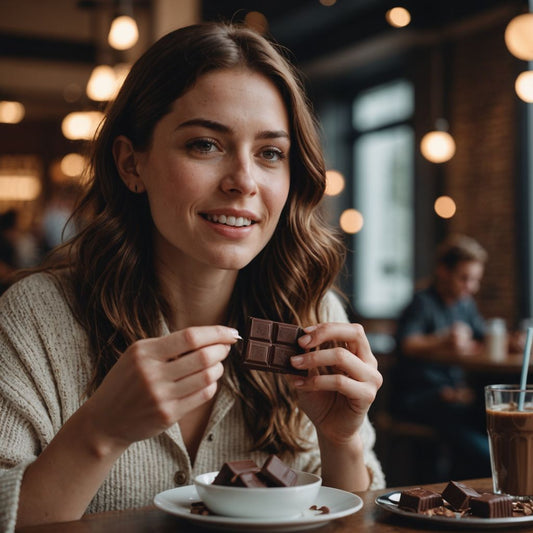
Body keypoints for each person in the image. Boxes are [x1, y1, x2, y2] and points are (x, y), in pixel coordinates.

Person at [0, 22, 385, 530]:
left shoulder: (313, 314)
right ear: (131, 164)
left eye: (270, 153)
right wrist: (101, 431)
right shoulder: (36, 317)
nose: (244, 181)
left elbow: (355, 516)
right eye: (205, 145)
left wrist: (341, 440)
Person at [391, 233, 490, 479]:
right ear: (443, 271)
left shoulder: (464, 304)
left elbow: (484, 336)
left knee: (486, 417)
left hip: (452, 396)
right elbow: (407, 344)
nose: (471, 287)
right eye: (464, 278)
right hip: (418, 398)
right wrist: (443, 338)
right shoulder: (422, 303)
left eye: (475, 280)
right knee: (481, 447)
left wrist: (510, 340)